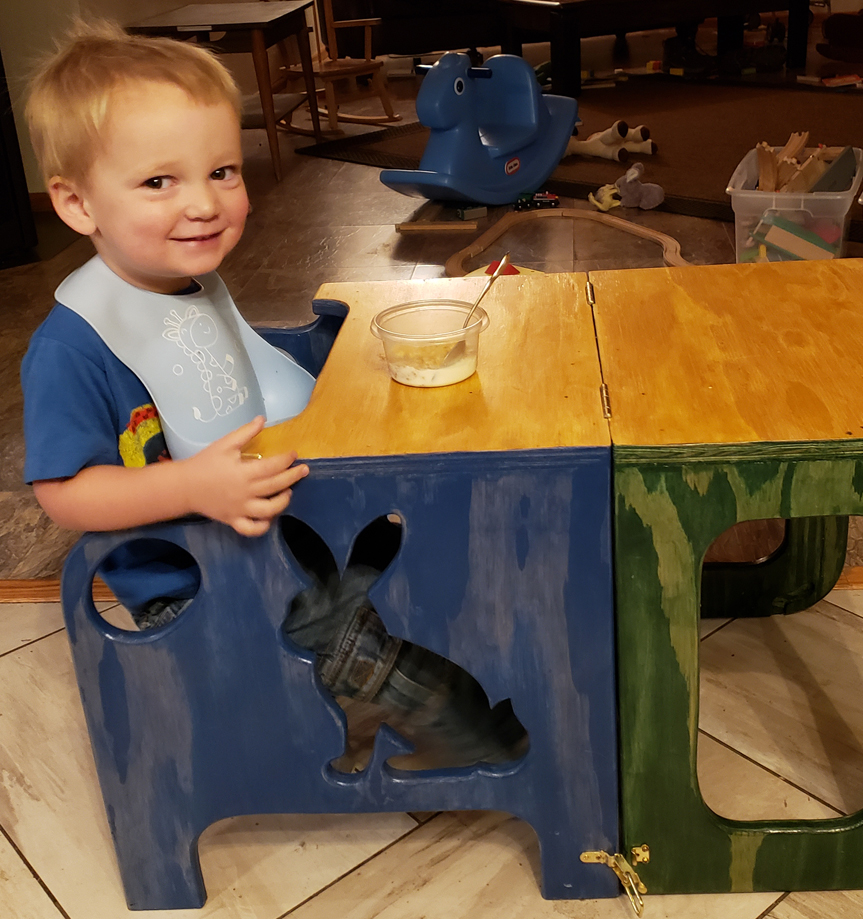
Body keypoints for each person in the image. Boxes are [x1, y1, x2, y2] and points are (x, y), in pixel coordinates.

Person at [21, 20, 526, 769]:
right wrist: (190, 484)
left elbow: (237, 373)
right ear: (76, 204)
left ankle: (482, 653)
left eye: (223, 171)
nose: (203, 203)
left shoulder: (187, 285)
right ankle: (449, 726)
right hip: (191, 579)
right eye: (160, 181)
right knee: (345, 626)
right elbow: (63, 494)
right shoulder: (70, 348)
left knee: (401, 537)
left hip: (272, 534)